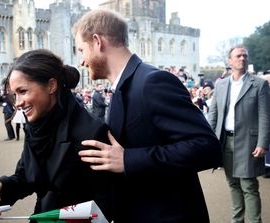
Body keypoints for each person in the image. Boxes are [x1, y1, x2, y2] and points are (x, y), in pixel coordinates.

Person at [73, 9, 222, 223]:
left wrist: (128, 159)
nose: (82, 61)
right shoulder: (119, 89)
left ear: (98, 41)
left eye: (81, 50)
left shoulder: (153, 82)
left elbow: (206, 147)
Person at [0, 49, 114, 221]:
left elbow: (105, 203)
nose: (18, 103)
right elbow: (26, 176)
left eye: (23, 91)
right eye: (15, 95)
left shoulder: (91, 132)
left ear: (51, 85)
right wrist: (1, 186)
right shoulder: (35, 125)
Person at [207, 45, 270, 223]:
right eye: (238, 56)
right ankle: (237, 221)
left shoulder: (259, 84)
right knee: (233, 184)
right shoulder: (221, 85)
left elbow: (265, 116)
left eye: (245, 56)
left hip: (249, 143)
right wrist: (209, 140)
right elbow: (213, 114)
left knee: (249, 186)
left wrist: (263, 143)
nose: (242, 58)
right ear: (230, 61)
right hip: (225, 141)